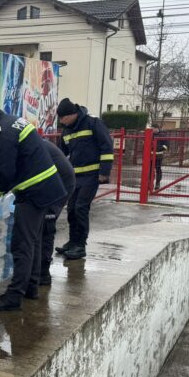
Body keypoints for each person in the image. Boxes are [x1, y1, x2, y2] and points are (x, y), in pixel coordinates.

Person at [0, 102, 69, 312]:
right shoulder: (11, 122)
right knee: (33, 241)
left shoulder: (1, 133)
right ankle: (31, 286)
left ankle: (14, 296)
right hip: (45, 187)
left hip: (35, 191)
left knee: (22, 244)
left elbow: (4, 174)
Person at [54, 98, 114, 260]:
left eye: (63, 117)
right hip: (75, 177)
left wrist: (104, 172)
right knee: (72, 209)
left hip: (92, 175)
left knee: (81, 207)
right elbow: (60, 153)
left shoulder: (93, 123)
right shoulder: (66, 130)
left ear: (72, 114)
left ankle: (80, 245)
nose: (61, 121)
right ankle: (72, 242)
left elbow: (107, 146)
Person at [28, 140, 76, 294]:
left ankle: (43, 273)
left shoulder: (32, 146)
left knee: (46, 228)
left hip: (59, 184)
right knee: (41, 227)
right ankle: (39, 272)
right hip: (55, 181)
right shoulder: (32, 143)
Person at [153, 125, 169, 189]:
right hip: (150, 156)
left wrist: (159, 148)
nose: (152, 130)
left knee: (158, 169)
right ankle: (149, 183)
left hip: (158, 155)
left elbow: (166, 145)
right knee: (150, 170)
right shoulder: (150, 135)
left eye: (153, 129)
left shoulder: (162, 135)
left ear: (157, 128)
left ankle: (157, 183)